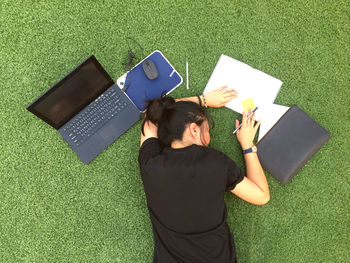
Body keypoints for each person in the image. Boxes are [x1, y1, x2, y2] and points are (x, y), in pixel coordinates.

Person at [138, 86, 270, 263]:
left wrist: (202, 100)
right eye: (208, 129)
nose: (209, 137)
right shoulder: (215, 163)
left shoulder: (151, 164)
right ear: (194, 129)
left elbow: (151, 115)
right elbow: (261, 195)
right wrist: (247, 145)